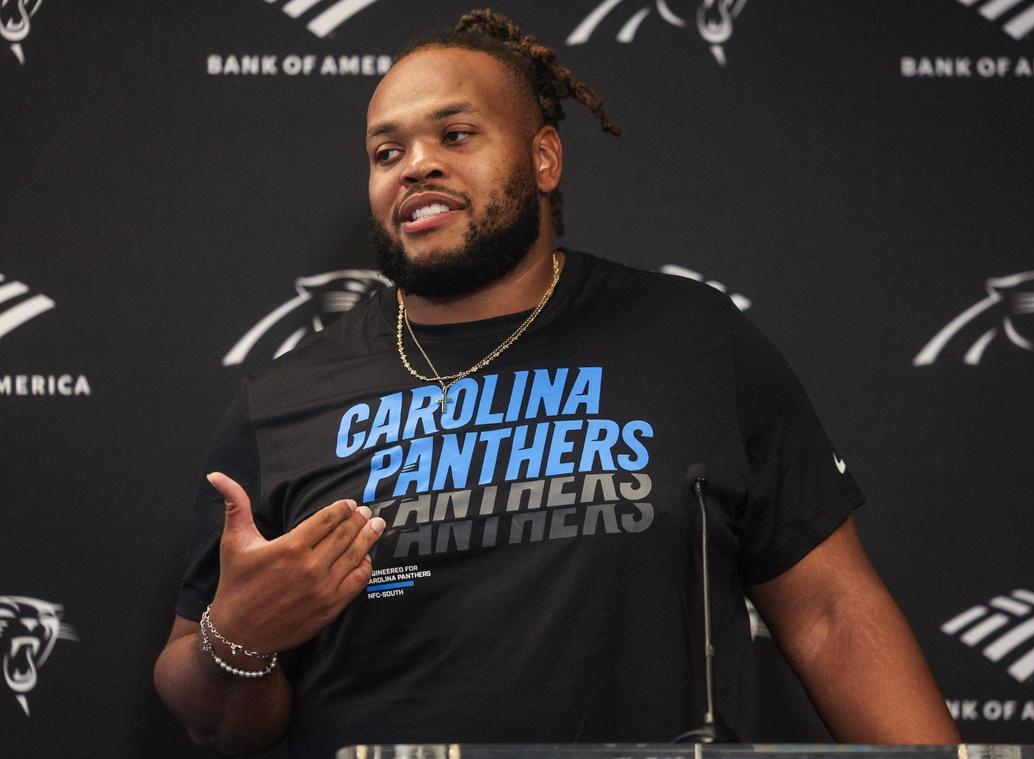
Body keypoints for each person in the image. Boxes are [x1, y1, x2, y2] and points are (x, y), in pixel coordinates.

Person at [154, 9, 961, 757]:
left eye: (456, 134)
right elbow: (213, 716)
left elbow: (831, 613)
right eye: (386, 152)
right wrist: (240, 637)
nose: (417, 166)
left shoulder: (694, 341)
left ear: (543, 157)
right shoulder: (285, 400)